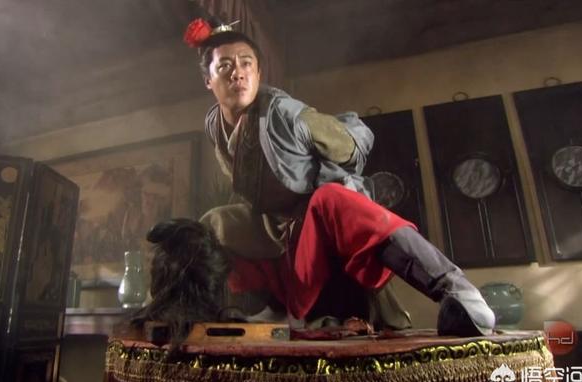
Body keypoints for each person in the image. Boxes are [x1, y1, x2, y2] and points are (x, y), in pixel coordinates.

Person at [185, 16, 495, 336]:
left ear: (259, 72)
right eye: (224, 66)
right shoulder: (214, 124)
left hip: (316, 222)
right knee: (215, 221)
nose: (237, 72)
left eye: (246, 63)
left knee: (329, 198)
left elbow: (354, 141)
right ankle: (235, 309)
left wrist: (329, 173)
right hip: (274, 229)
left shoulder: (285, 112)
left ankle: (456, 290)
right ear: (208, 80)